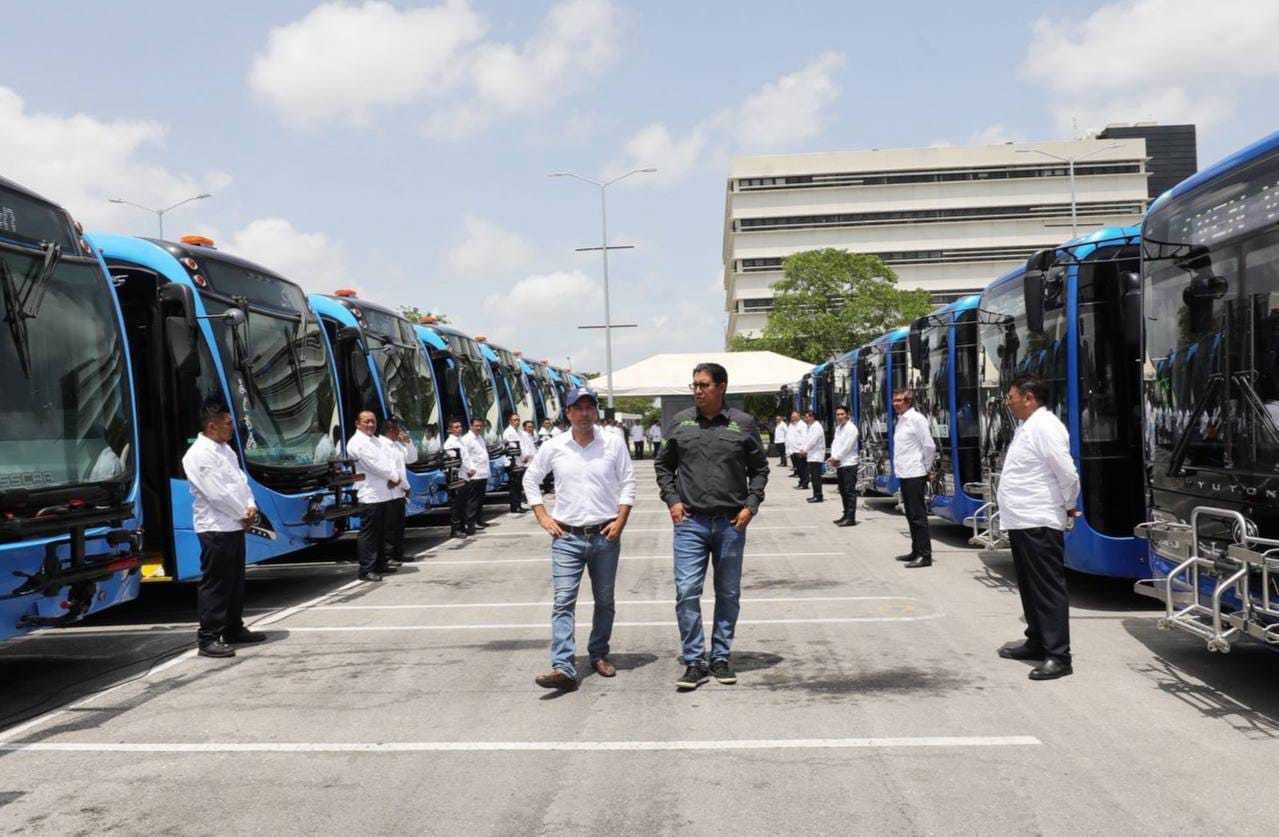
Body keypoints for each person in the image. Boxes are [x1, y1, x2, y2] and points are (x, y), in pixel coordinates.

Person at [655, 362, 769, 692]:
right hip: (690, 523)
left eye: (704, 384)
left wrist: (751, 506)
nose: (698, 390)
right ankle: (694, 661)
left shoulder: (743, 425)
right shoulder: (680, 423)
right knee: (687, 591)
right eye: (695, 385)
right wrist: (673, 501)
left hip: (732, 523)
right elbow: (663, 466)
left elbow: (760, 470)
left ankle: (720, 657)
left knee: (728, 593)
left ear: (721, 387)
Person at [524, 387, 635, 692]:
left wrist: (621, 520)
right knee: (563, 601)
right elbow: (530, 478)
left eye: (590, 407)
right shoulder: (554, 446)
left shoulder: (613, 443)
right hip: (567, 537)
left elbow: (628, 482)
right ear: (568, 413)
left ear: (596, 412)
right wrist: (543, 517)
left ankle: (598, 654)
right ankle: (563, 666)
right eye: (578, 408)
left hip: (604, 534)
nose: (585, 413)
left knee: (605, 601)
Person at [996, 374, 1080, 681]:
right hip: (1022, 519)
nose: (1009, 402)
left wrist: (1069, 504)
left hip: (1039, 519)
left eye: (1012, 397)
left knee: (1046, 588)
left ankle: (1059, 655)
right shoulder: (1028, 426)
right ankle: (1037, 640)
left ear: (1029, 398)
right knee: (1029, 586)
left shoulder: (1046, 427)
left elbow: (1067, 473)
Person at [182, 402, 265, 658]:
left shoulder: (226, 450)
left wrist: (250, 505)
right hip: (215, 527)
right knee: (216, 582)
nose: (232, 428)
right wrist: (243, 513)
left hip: (235, 524)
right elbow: (216, 493)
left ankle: (232, 627)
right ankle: (208, 637)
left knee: (235, 580)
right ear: (211, 425)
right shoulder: (198, 455)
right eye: (228, 423)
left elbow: (241, 481)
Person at [348, 410, 401, 581]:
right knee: (369, 533)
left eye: (373, 421)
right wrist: (393, 477)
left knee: (382, 531)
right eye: (366, 421)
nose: (371, 424)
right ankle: (367, 569)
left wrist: (394, 475)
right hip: (370, 493)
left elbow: (389, 459)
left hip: (384, 492)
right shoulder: (357, 443)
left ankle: (380, 564)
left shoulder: (375, 441)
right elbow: (373, 465)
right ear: (358, 424)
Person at [893, 390, 936, 569]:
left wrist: (925, 468)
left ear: (908, 401)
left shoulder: (917, 419)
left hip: (915, 473)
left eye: (899, 400)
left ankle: (924, 555)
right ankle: (915, 550)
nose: (896, 403)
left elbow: (929, 446)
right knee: (910, 515)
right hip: (904, 472)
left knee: (918, 516)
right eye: (894, 400)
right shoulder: (901, 420)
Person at [380, 416, 414, 568]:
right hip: (389, 491)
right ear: (390, 430)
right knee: (389, 526)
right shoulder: (382, 445)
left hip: (400, 490)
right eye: (397, 429)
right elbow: (392, 471)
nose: (399, 432)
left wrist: (408, 442)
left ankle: (398, 553)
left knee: (399, 524)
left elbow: (412, 458)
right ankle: (389, 556)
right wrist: (406, 486)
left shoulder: (398, 445)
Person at [829, 405, 860, 526]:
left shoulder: (851, 428)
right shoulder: (838, 428)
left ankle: (851, 517)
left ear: (847, 414)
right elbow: (835, 444)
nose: (840, 417)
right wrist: (833, 457)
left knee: (849, 491)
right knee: (842, 490)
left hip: (849, 463)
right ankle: (845, 514)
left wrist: (837, 457)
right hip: (840, 463)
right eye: (838, 414)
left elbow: (847, 446)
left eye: (842, 414)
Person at [463, 417, 491, 532]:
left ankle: (478, 520)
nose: (479, 428)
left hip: (483, 473)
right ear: (471, 426)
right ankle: (470, 523)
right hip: (474, 474)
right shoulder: (467, 439)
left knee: (480, 499)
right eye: (477, 425)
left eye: (481, 426)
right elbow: (465, 457)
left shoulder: (480, 438)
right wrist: (470, 469)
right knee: (472, 501)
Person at [443, 419, 469, 538]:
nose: (459, 428)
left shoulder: (460, 441)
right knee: (456, 505)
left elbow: (466, 458)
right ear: (450, 429)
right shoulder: (450, 443)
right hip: (455, 477)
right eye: (456, 427)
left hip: (464, 475)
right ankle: (455, 529)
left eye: (460, 426)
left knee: (463, 503)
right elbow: (453, 462)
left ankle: (463, 527)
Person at [502, 413, 528, 513]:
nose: (517, 422)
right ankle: (514, 507)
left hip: (520, 461)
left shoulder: (519, 432)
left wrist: (525, 458)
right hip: (512, 462)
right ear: (510, 421)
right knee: (514, 485)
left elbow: (522, 446)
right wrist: (521, 458)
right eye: (514, 420)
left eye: (518, 420)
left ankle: (518, 505)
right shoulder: (508, 432)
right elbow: (513, 449)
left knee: (518, 486)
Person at [801, 410, 826, 503]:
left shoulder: (817, 427)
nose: (806, 419)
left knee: (816, 477)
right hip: (812, 455)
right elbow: (807, 440)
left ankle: (818, 496)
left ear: (812, 417)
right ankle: (815, 494)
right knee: (814, 477)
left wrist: (805, 449)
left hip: (816, 456)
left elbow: (813, 441)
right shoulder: (811, 427)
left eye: (807, 417)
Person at [786, 410, 804, 481]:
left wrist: (802, 448)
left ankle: (804, 482)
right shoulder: (791, 425)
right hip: (792, 450)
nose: (792, 417)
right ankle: (800, 481)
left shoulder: (802, 425)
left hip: (799, 450)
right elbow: (789, 437)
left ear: (798, 416)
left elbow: (804, 438)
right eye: (792, 416)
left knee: (801, 468)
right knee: (797, 467)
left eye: (794, 416)